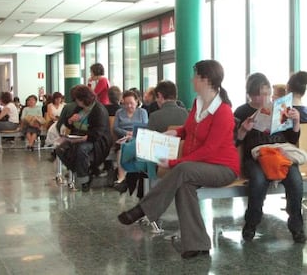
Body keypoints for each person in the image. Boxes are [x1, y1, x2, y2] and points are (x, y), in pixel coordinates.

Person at [117, 60, 240, 259]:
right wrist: (177, 132)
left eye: (195, 76)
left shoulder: (223, 111)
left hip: (222, 168)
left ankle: (143, 209)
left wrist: (174, 163)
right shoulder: (198, 103)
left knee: (183, 171)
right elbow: (190, 129)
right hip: (198, 166)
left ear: (205, 80)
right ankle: (197, 244)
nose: (192, 80)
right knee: (184, 187)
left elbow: (210, 149)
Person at [234, 72, 305, 243]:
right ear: (250, 95)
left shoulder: (279, 109)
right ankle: (251, 223)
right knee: (258, 180)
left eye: (266, 93)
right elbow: (235, 142)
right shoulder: (242, 111)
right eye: (259, 94)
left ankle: (297, 227)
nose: (264, 98)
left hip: (279, 154)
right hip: (255, 156)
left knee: (295, 180)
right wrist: (243, 129)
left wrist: (295, 122)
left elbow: (293, 139)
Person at [56, 85, 112, 192]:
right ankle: (83, 171)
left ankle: (84, 180)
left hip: (97, 140)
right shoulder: (79, 108)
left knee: (81, 149)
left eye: (78, 100)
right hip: (79, 136)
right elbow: (69, 125)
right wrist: (70, 121)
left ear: (84, 99)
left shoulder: (98, 110)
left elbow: (97, 133)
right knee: (60, 149)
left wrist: (80, 139)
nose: (76, 102)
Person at [113, 90, 148, 192]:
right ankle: (121, 178)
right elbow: (115, 128)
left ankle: (133, 177)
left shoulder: (142, 112)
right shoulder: (119, 112)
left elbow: (145, 127)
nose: (129, 106)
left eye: (131, 103)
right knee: (121, 147)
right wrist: (126, 133)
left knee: (131, 146)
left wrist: (133, 134)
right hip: (123, 137)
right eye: (126, 103)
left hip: (138, 138)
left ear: (136, 102)